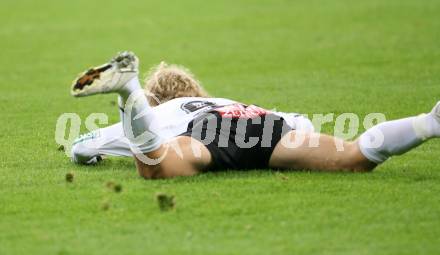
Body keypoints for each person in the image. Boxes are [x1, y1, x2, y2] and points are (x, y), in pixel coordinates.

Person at [70, 52, 440, 179]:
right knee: (355, 156)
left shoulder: (165, 113)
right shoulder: (224, 100)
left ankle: (127, 90)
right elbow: (304, 125)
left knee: (155, 168)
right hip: (265, 124)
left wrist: (91, 151)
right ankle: (430, 122)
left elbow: (82, 146)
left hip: (207, 135)